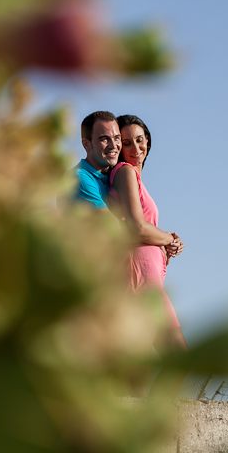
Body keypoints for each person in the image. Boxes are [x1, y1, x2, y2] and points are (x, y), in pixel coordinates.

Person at [109, 114, 188, 397]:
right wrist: (169, 238)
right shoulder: (125, 172)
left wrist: (168, 245)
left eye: (140, 140)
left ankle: (147, 423)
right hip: (137, 278)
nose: (135, 148)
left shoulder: (137, 178)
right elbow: (138, 227)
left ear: (148, 142)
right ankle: (143, 426)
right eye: (127, 142)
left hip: (151, 281)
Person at [72, 110, 121, 216]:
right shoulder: (79, 178)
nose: (113, 145)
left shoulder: (115, 174)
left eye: (117, 138)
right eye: (104, 139)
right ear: (86, 145)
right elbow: (114, 229)